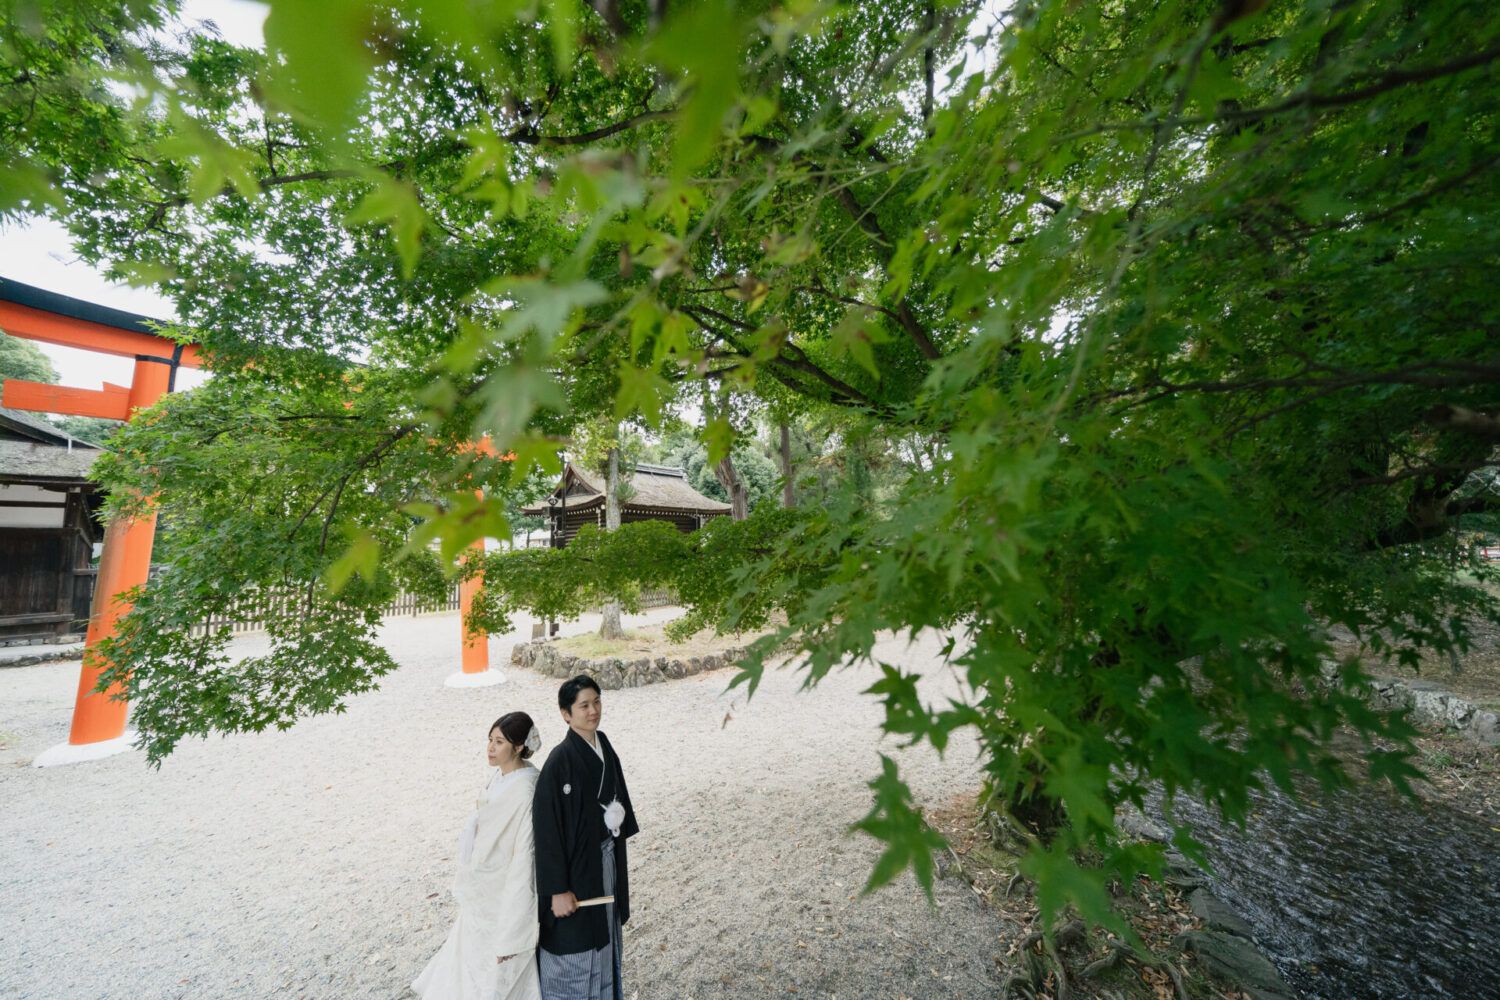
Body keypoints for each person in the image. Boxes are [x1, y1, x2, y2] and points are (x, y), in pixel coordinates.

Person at [413, 712, 544, 1000]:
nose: (490, 748)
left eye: (499, 742)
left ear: (519, 746)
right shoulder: (499, 777)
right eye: (490, 740)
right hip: (484, 882)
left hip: (503, 884)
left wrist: (514, 927)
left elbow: (525, 853)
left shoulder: (525, 788)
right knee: (469, 962)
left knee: (497, 970)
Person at [533, 675, 639, 1000]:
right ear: (566, 714)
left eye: (596, 702)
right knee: (575, 942)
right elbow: (547, 830)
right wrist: (556, 889)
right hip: (574, 870)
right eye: (583, 706)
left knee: (604, 936)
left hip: (604, 860)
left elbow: (617, 797)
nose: (593, 711)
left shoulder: (603, 743)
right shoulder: (559, 762)